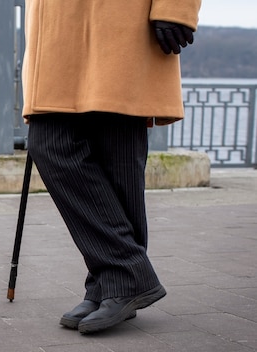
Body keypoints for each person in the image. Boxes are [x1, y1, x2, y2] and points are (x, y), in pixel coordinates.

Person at [21, 1, 201, 334]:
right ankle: (124, 277)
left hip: (122, 18)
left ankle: (110, 286)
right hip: (57, 24)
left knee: (118, 159)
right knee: (49, 145)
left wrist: (176, 7)